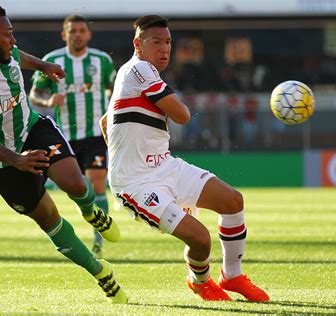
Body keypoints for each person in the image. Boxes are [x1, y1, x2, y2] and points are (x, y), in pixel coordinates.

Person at [0, 5, 126, 303]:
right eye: (8, 34)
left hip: (33, 130)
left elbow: (20, 57)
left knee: (78, 185)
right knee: (50, 220)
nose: (13, 40)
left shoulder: (7, 52)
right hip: (3, 161)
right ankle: (99, 272)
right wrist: (15, 159)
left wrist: (43, 66)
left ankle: (91, 211)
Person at [100, 15, 269, 302]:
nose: (165, 48)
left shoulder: (130, 74)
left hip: (164, 165)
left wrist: (122, 156)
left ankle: (232, 275)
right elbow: (182, 115)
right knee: (200, 238)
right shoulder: (140, 69)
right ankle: (200, 281)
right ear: (137, 44)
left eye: (168, 42)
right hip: (136, 184)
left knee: (232, 201)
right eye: (156, 42)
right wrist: (122, 174)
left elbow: (106, 122)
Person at [29, 15, 116, 258]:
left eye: (81, 30)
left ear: (88, 34)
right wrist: (48, 100)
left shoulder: (102, 61)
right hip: (64, 135)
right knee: (76, 188)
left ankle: (98, 240)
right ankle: (90, 214)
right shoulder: (52, 61)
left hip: (95, 134)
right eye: (72, 31)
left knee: (98, 182)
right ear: (64, 34)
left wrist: (110, 112)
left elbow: (115, 89)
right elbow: (34, 94)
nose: (77, 34)